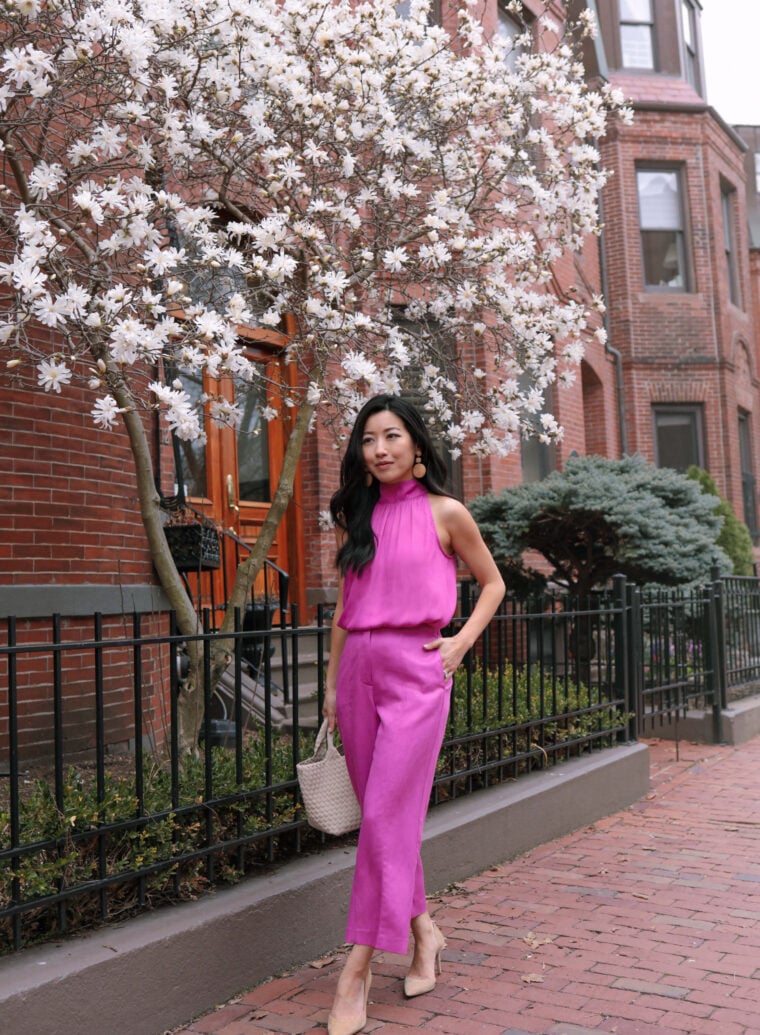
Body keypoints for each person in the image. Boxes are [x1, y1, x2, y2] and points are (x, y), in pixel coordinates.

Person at [323, 394, 506, 1035]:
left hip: (417, 674)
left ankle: (356, 970)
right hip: (357, 675)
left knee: (382, 817)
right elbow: (344, 608)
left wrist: (461, 642)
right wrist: (330, 685)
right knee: (388, 821)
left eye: (392, 435)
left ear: (418, 446)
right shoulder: (356, 517)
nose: (379, 449)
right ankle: (425, 932)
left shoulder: (446, 513)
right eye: (369, 439)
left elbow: (493, 583)